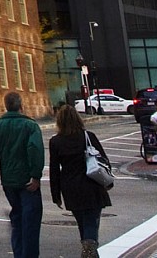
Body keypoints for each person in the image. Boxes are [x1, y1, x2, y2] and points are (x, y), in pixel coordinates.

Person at [0, 92, 46, 258]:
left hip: (9, 181)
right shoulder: (30, 126)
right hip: (27, 181)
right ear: (21, 105)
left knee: (17, 219)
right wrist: (36, 175)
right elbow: (35, 150)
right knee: (30, 223)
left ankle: (19, 254)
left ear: (6, 106)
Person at [47, 104, 113, 258]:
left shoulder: (56, 142)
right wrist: (108, 181)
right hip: (92, 183)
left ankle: (88, 247)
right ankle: (89, 249)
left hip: (70, 186)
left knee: (82, 221)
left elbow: (54, 169)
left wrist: (55, 194)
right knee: (91, 220)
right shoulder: (88, 136)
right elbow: (103, 160)